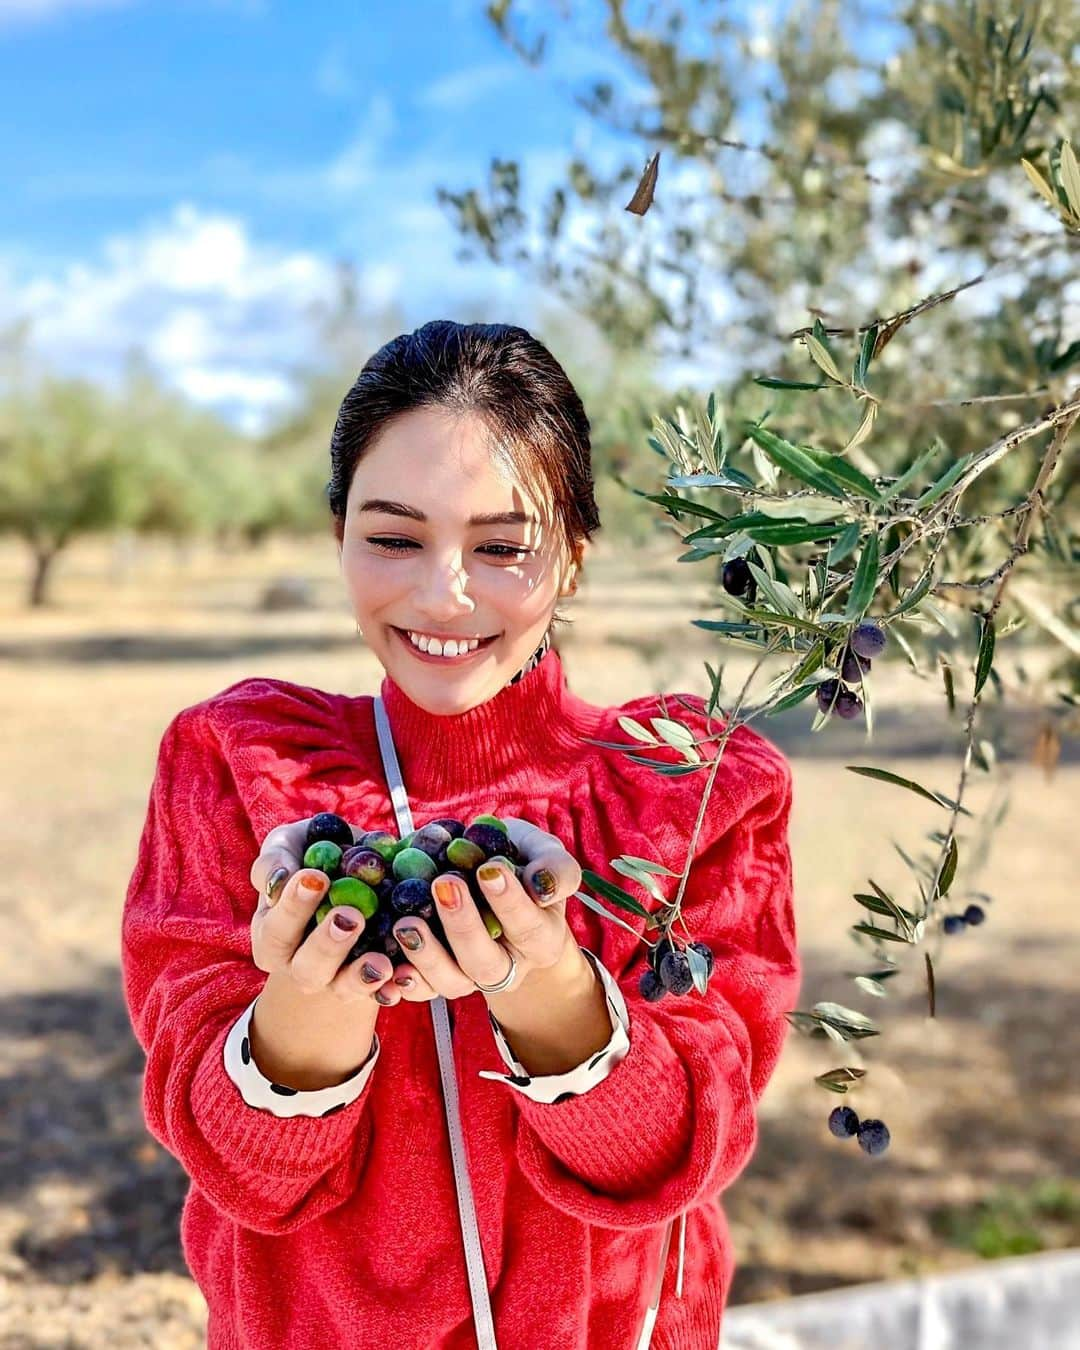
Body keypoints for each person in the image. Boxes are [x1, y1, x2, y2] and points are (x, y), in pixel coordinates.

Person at [120, 320, 801, 1350]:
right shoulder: (238, 765)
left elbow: (675, 1158)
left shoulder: (691, 789)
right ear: (338, 532)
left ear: (573, 556)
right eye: (394, 537)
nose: (446, 593)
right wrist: (308, 1000)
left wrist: (549, 985)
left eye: (503, 547)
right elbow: (239, 1170)